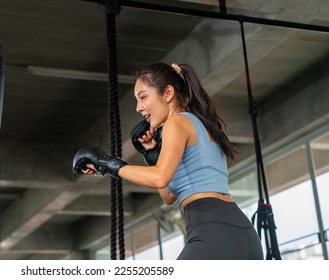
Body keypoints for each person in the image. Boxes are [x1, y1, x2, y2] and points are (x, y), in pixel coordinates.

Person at [72, 62, 264, 260]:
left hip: (212, 231)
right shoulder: (201, 123)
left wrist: (107, 163)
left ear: (168, 93)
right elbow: (169, 196)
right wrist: (152, 154)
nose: (139, 108)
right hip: (243, 233)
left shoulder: (176, 121)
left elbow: (159, 178)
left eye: (143, 97)